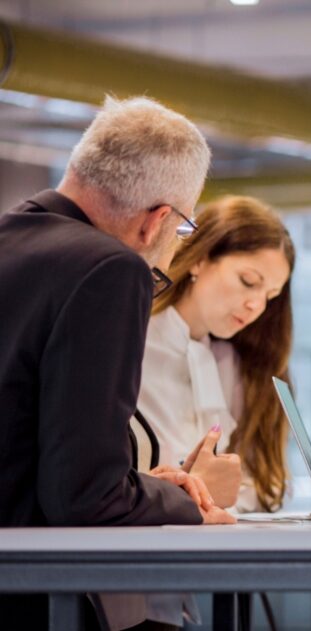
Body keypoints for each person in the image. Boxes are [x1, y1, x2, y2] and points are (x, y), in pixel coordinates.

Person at [0, 96, 234, 627]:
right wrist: (182, 501)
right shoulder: (109, 268)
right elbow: (85, 496)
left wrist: (140, 485)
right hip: (35, 598)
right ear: (156, 222)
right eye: (181, 231)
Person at [135, 194, 295, 513]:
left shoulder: (238, 365)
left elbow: (266, 489)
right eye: (248, 281)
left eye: (270, 296)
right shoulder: (131, 343)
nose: (257, 306)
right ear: (200, 258)